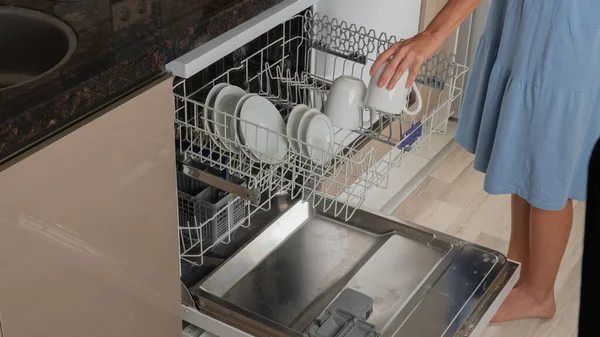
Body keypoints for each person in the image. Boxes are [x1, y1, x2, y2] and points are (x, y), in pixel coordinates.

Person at [371, 0, 600, 323]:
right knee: (528, 147)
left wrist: (433, 35)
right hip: (537, 16)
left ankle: (539, 295)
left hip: (566, 22)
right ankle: (519, 269)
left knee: (549, 162)